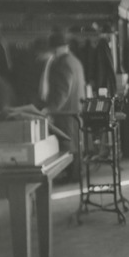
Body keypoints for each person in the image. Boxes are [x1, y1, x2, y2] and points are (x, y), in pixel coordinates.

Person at [43, 30, 87, 178]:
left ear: (55, 48)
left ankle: (73, 176)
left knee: (68, 144)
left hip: (66, 113)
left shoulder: (63, 63)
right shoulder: (75, 61)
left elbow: (62, 91)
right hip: (75, 110)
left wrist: (50, 110)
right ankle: (75, 174)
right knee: (75, 142)